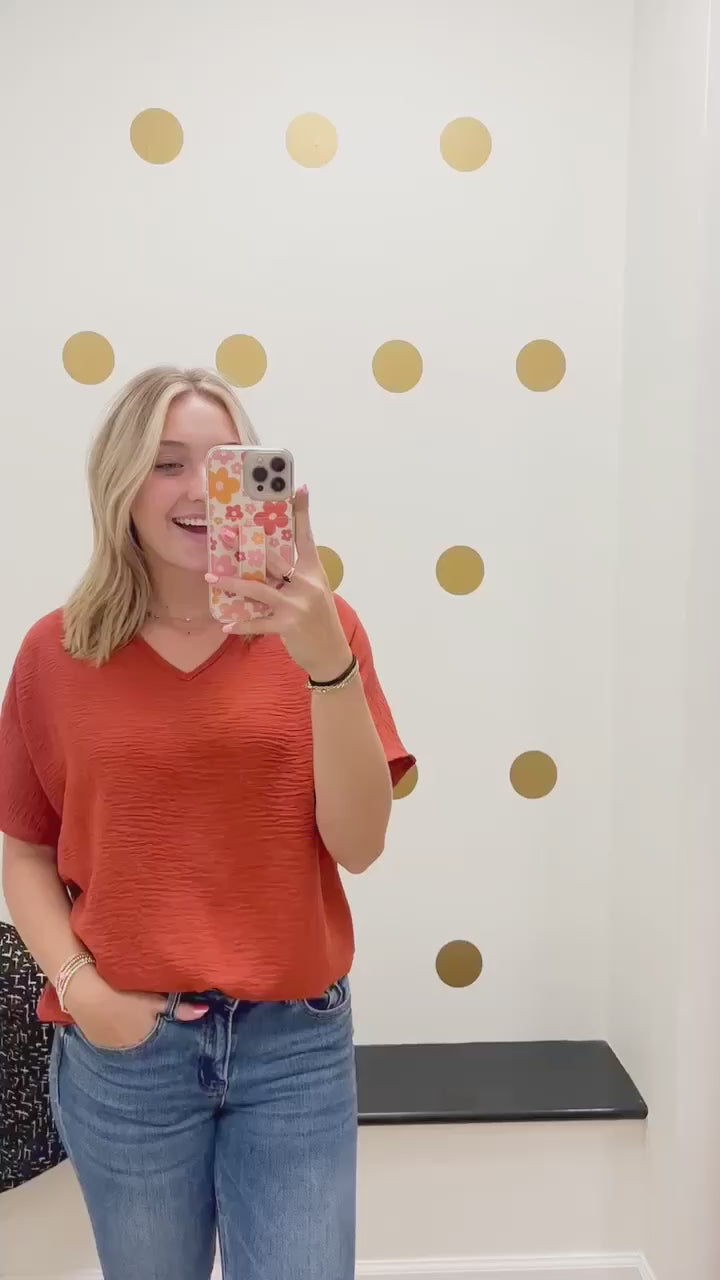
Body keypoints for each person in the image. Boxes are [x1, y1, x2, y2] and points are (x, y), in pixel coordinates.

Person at [0, 366, 415, 1280]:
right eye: (166, 463)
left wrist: (327, 666)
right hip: (127, 1055)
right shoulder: (55, 652)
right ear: (120, 482)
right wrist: (82, 990)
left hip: (294, 1048)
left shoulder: (326, 631)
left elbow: (360, 845)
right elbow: (24, 850)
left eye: (223, 463)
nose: (197, 489)